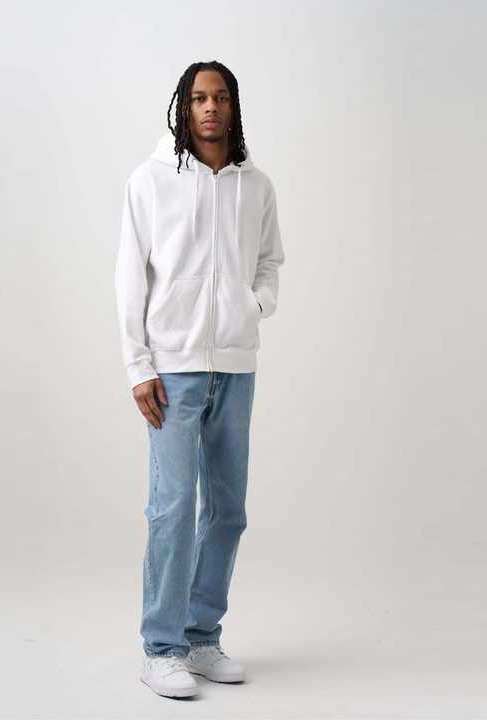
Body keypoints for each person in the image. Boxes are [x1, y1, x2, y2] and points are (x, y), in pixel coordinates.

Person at [114, 60, 285, 699]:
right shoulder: (150, 180)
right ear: (183, 107)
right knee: (172, 509)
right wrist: (139, 367)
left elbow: (269, 261)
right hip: (173, 370)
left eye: (220, 97)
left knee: (227, 511)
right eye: (198, 97)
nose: (210, 107)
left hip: (236, 367)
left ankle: (201, 636)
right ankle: (160, 649)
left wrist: (254, 305)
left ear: (233, 107)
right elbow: (130, 277)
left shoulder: (256, 185)